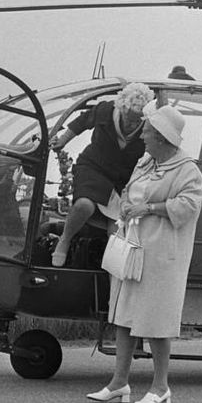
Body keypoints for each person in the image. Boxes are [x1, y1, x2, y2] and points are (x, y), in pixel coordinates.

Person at [86, 103, 202, 403]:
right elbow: (130, 190)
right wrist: (126, 205)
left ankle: (161, 387)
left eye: (148, 132)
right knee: (124, 316)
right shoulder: (146, 161)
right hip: (133, 247)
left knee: (156, 319)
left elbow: (188, 206)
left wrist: (149, 208)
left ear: (162, 137)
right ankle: (119, 383)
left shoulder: (187, 170)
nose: (142, 136)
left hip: (162, 254)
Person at [49, 83, 155, 267]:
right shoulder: (105, 111)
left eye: (136, 122)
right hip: (93, 168)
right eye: (129, 119)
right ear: (121, 109)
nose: (131, 125)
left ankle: (112, 274)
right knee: (84, 205)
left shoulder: (149, 126)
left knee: (116, 230)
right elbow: (82, 122)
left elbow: (156, 150)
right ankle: (65, 239)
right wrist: (62, 141)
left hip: (122, 180)